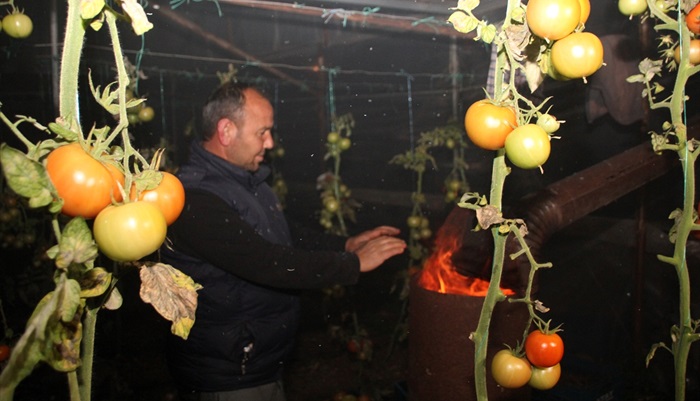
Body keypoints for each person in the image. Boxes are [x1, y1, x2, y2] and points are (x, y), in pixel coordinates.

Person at [160, 81, 407, 401]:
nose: (271, 142)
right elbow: (265, 262)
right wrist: (353, 264)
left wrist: (345, 244)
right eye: (262, 132)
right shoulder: (193, 197)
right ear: (226, 131)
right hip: (229, 375)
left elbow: (287, 235)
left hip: (257, 362)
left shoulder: (246, 181)